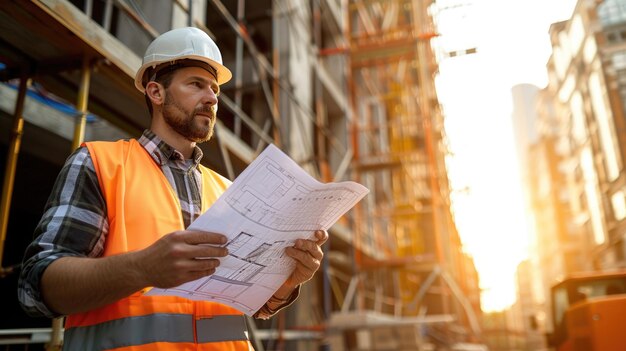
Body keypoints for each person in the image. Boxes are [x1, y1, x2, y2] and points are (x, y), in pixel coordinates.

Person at [18, 27, 328, 350]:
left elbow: (253, 305)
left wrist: (286, 282)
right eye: (196, 84)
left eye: (214, 91)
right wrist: (143, 269)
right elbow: (35, 288)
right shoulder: (100, 165)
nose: (211, 98)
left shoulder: (228, 190)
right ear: (156, 92)